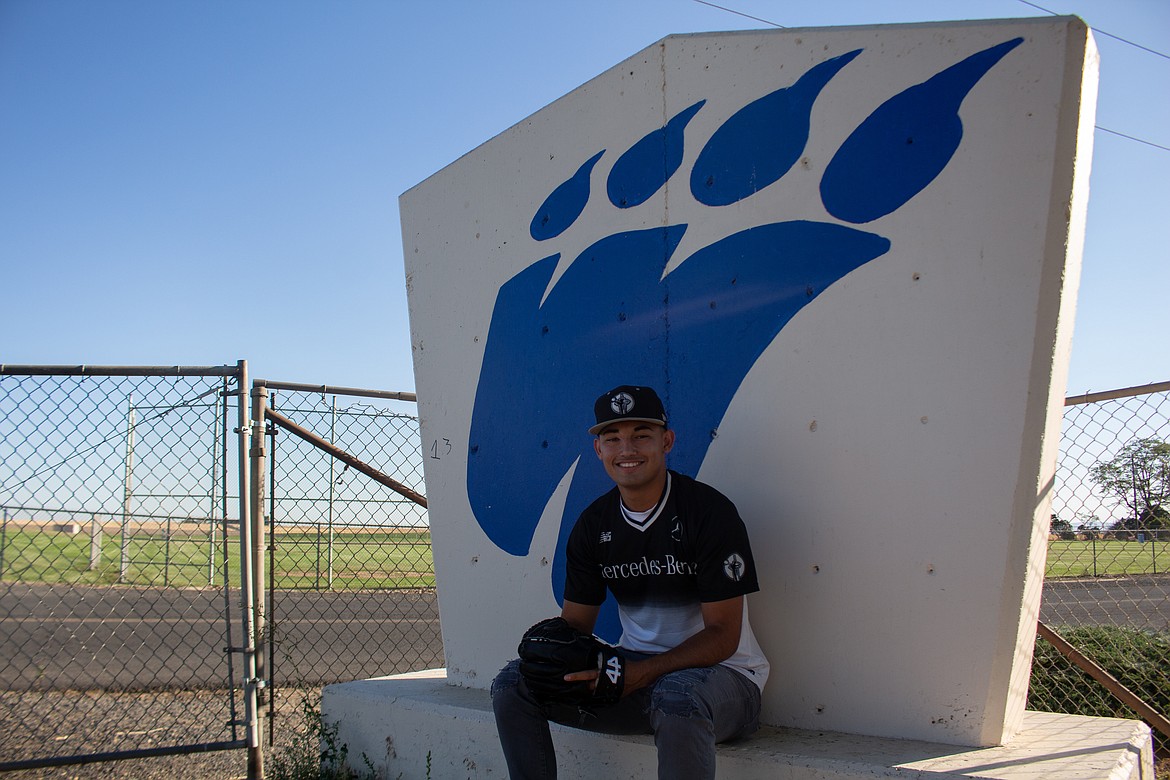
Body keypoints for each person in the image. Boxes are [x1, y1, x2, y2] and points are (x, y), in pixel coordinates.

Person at [491, 384, 769, 780]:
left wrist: (639, 673)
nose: (627, 449)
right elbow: (577, 628)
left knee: (677, 696)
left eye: (641, 435)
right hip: (636, 677)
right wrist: (555, 653)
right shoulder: (593, 524)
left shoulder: (709, 512)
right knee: (515, 682)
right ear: (598, 449)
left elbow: (724, 636)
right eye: (613, 437)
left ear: (666, 441)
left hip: (727, 680)